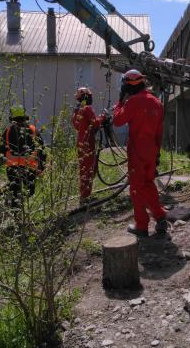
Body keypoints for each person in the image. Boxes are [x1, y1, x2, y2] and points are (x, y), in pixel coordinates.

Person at [113, 70, 168, 237]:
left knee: (137, 188)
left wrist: (120, 103)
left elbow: (117, 120)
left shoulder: (132, 102)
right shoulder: (157, 103)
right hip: (151, 150)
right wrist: (157, 153)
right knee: (148, 183)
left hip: (137, 151)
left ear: (128, 85)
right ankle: (160, 217)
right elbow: (159, 132)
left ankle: (142, 226)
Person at [0, 105, 45, 207]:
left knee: (15, 193)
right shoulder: (33, 130)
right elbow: (42, 150)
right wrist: (41, 167)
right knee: (30, 191)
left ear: (12, 117)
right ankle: (26, 210)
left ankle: (17, 213)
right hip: (30, 168)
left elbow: (2, 151)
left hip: (12, 168)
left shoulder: (7, 132)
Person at [72, 87, 105, 204]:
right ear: (86, 97)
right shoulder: (87, 109)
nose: (91, 98)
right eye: (90, 96)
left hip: (80, 143)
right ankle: (85, 196)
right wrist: (103, 117)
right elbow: (95, 123)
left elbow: (76, 126)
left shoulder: (76, 111)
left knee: (83, 169)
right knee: (89, 169)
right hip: (88, 143)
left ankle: (84, 194)